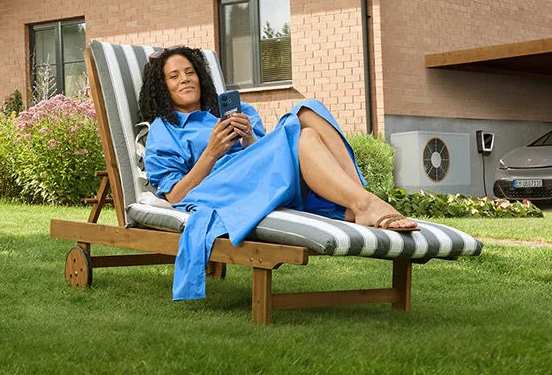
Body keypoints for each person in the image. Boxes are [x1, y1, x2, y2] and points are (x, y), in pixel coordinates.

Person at [137, 45, 418, 300]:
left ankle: (360, 200)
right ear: (162, 88)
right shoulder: (166, 131)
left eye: (189, 72)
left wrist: (248, 139)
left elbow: (265, 153)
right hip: (224, 189)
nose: (185, 78)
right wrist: (211, 153)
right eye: (173, 76)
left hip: (264, 180)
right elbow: (174, 195)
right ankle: (365, 204)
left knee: (309, 115)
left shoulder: (236, 112)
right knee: (303, 128)